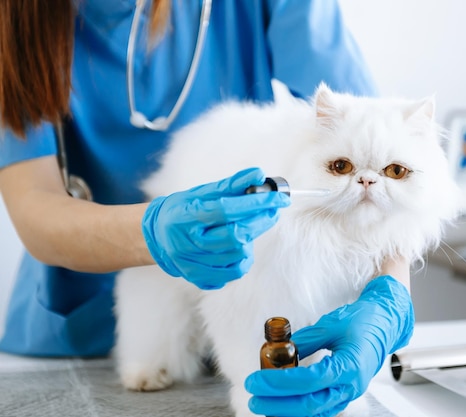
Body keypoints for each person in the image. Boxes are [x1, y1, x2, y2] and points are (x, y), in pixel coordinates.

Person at [0, 1, 414, 416]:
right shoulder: (15, 17)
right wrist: (154, 229)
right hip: (74, 321)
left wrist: (388, 294)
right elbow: (34, 204)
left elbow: (376, 149)